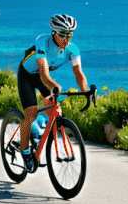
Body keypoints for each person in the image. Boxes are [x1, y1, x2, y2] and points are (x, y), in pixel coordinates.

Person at [16, 13, 89, 172]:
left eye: (69, 34)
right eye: (63, 34)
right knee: (31, 112)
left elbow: (79, 74)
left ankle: (40, 137)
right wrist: (55, 86)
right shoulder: (42, 41)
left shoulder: (73, 49)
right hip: (28, 76)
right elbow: (43, 75)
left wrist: (86, 92)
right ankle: (25, 151)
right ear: (54, 33)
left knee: (56, 112)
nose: (67, 38)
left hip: (44, 79)